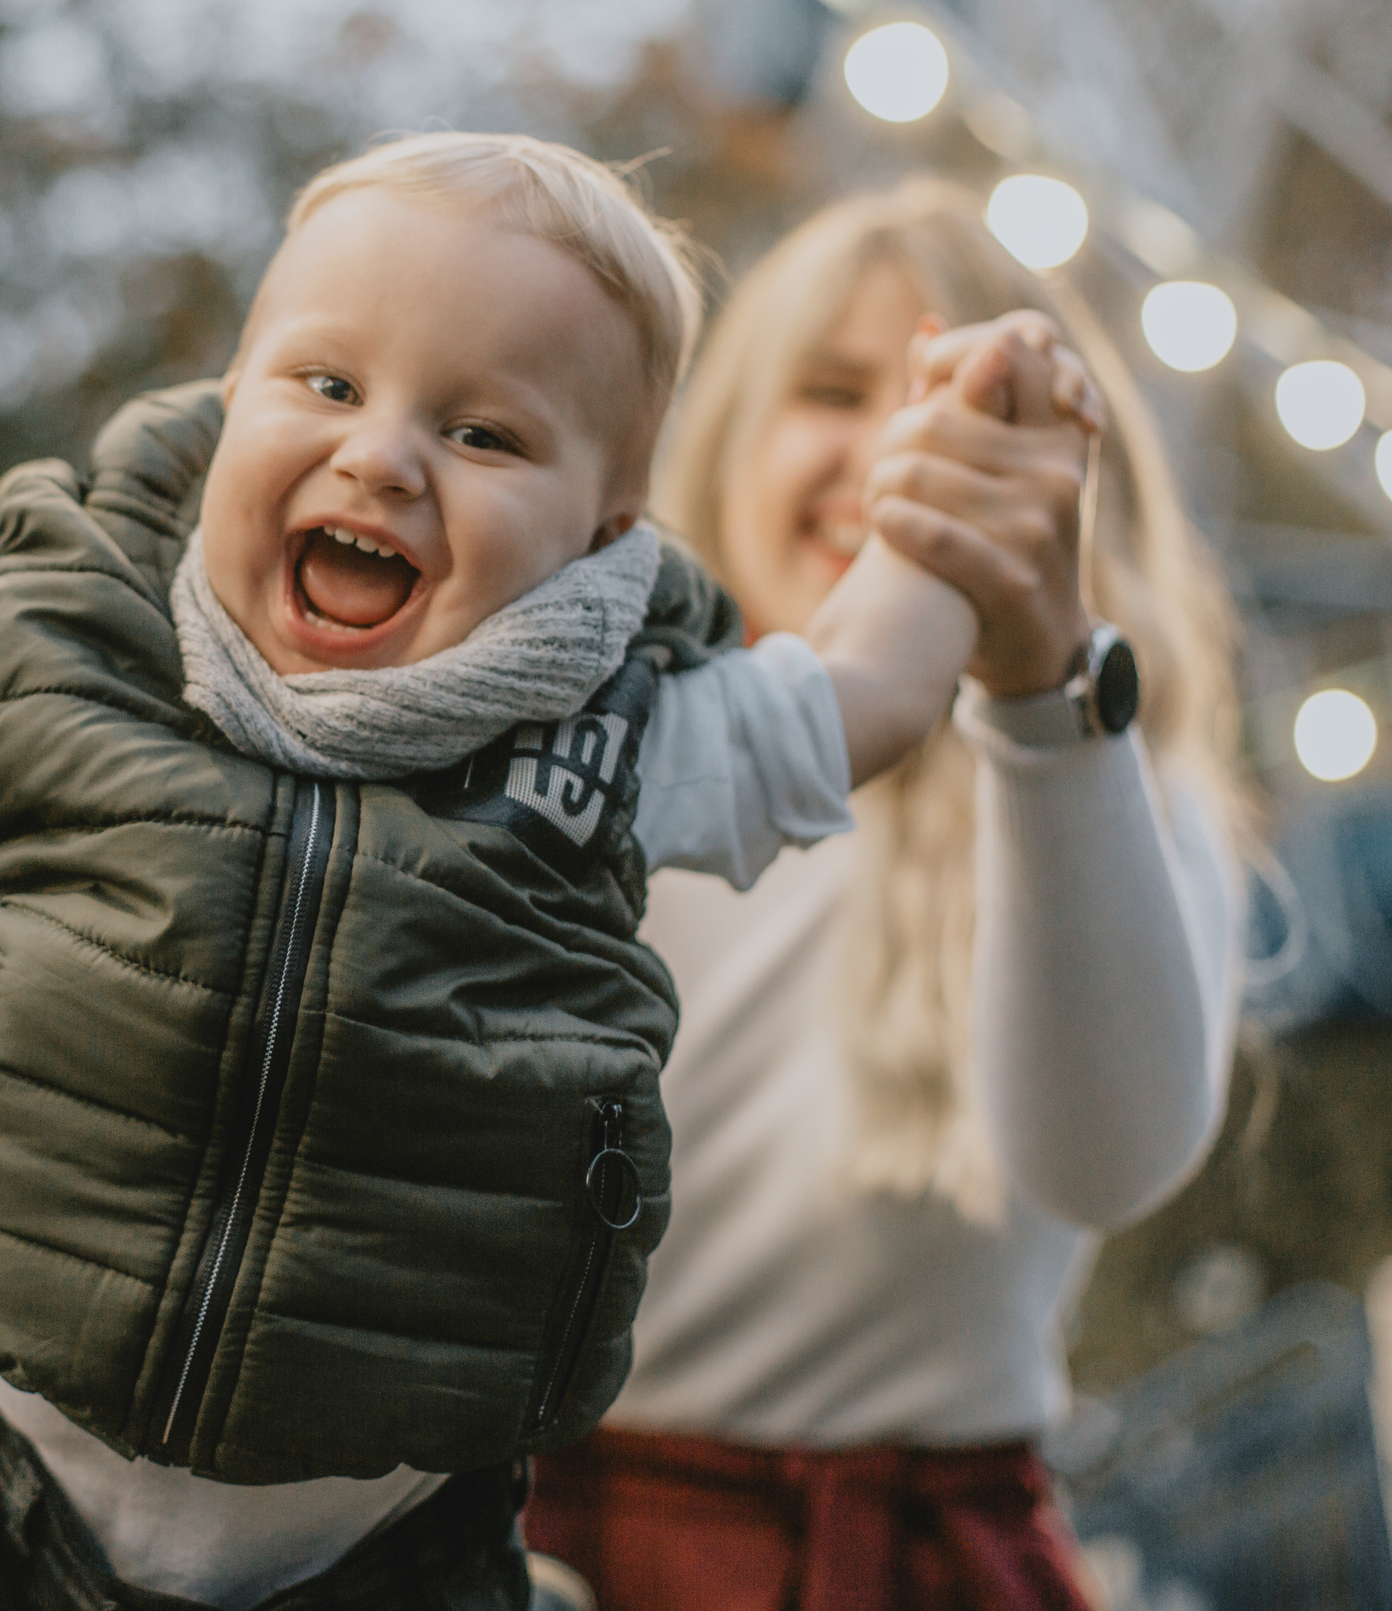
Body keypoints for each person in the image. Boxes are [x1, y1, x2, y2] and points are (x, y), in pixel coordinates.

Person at [0, 134, 1096, 1611]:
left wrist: (958, 483)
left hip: (396, 1543)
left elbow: (865, 693)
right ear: (232, 403)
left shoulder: (613, 738)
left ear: (603, 531)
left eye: (487, 436)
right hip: (27, 1503)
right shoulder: (63, 644)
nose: (384, 455)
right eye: (329, 385)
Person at [520, 178, 1247, 1609]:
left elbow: (1110, 1157)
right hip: (550, 1544)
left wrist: (1045, 703)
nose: (890, 461)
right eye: (834, 392)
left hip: (915, 1561)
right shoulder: (590, 764)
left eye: (960, 416)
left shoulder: (1105, 791)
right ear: (720, 438)